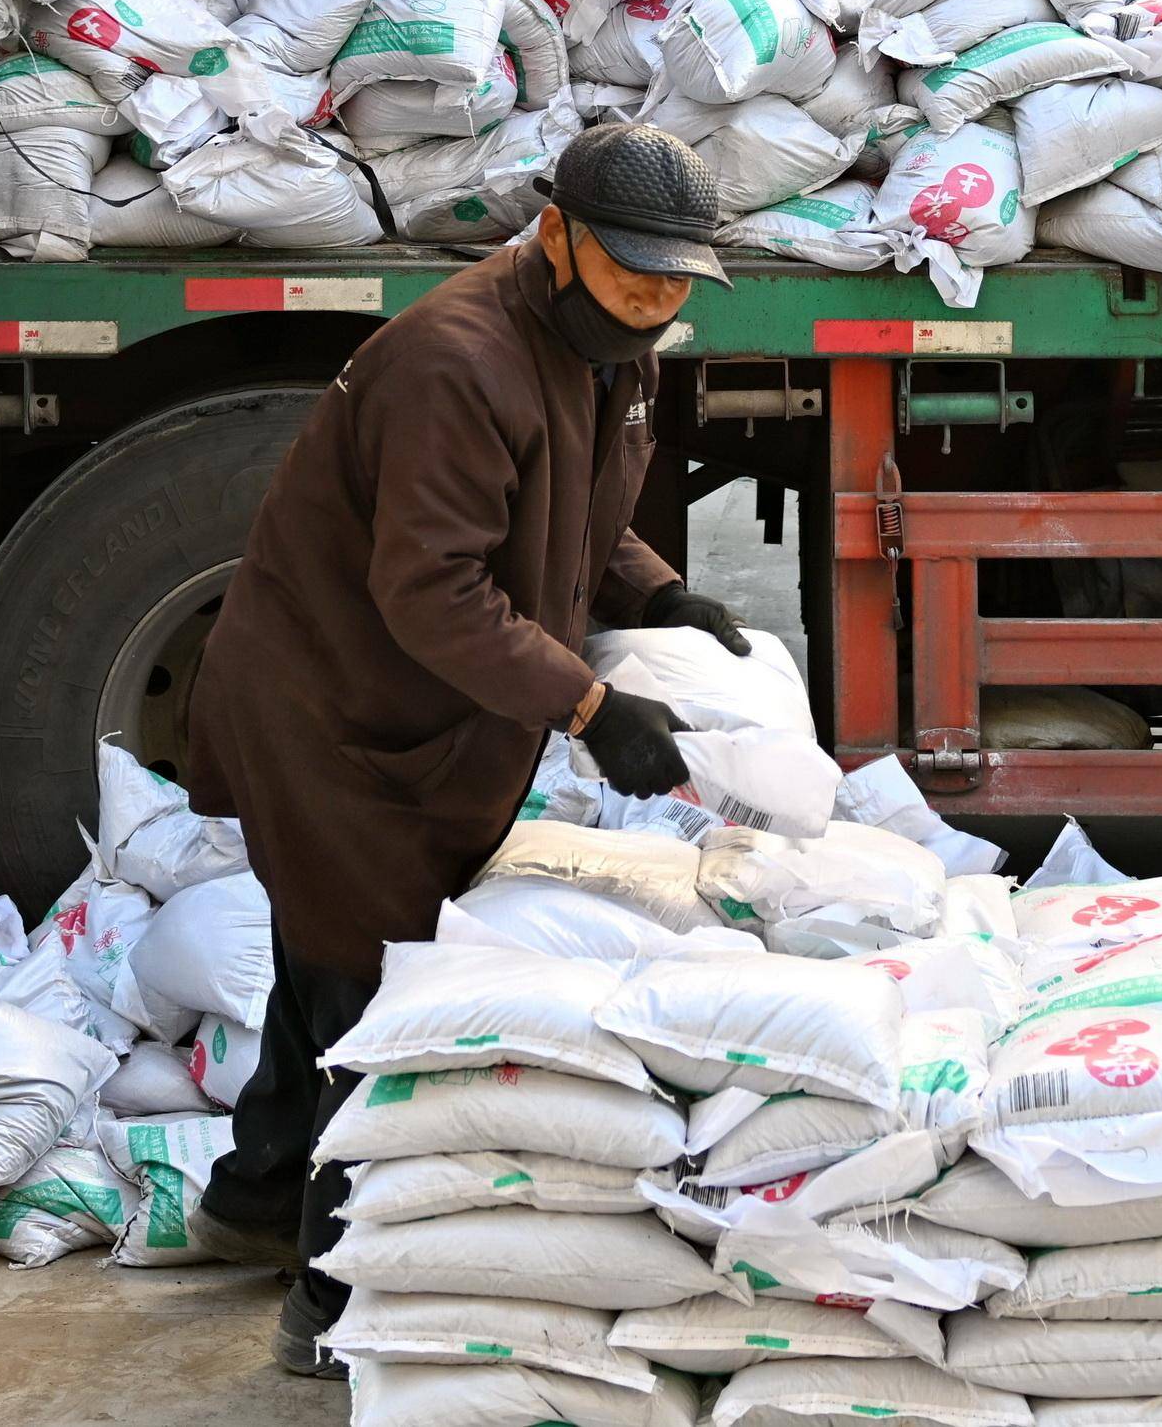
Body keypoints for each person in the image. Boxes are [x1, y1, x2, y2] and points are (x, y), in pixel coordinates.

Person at [177, 122, 753, 1379]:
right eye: (633, 274)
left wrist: (656, 596)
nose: (656, 302)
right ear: (556, 236)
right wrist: (593, 713)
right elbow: (433, 585)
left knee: (325, 970)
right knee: (368, 1004)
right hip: (332, 713)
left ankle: (252, 1201)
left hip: (424, 715)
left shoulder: (612, 349)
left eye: (674, 282)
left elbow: (572, 513)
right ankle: (333, 1309)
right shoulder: (455, 358)